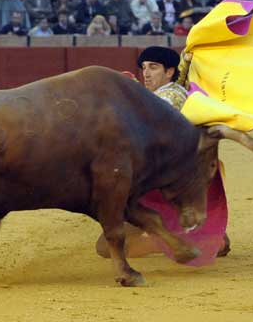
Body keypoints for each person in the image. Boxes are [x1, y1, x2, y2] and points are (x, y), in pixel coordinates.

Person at [95, 46, 231, 259]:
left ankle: (171, 240)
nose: (146, 73)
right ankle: (199, 237)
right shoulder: (168, 92)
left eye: (154, 67)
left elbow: (142, 130)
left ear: (169, 72)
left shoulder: (168, 97)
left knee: (106, 247)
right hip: (173, 182)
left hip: (161, 187)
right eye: (144, 67)